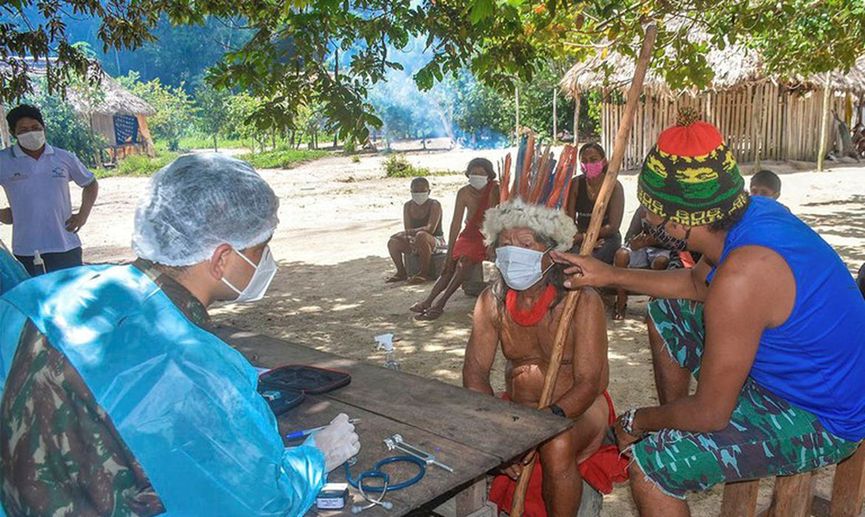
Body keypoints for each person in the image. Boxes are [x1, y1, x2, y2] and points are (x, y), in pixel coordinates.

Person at [0, 154, 360, 516]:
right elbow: (258, 502)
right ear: (221, 259)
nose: (266, 260)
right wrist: (316, 455)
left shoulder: (33, 297)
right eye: (260, 247)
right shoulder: (196, 366)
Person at [554, 114, 865, 516]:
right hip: (799, 373)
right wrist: (610, 274)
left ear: (681, 220)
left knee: (653, 468)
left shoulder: (743, 275)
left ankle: (672, 433)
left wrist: (637, 420)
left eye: (651, 210)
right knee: (667, 312)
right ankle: (677, 424)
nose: (645, 219)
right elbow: (698, 286)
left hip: (822, 414)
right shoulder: (751, 216)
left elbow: (712, 413)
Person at [464, 198, 628, 516]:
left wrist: (543, 425)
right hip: (519, 410)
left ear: (551, 254)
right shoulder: (491, 301)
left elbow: (591, 382)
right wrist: (502, 430)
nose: (514, 252)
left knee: (557, 442)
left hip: (578, 411)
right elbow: (475, 374)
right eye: (506, 244)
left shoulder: (581, 300)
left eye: (526, 244)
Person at [0, 104, 99, 275]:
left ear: (43, 128)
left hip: (66, 245)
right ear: (13, 133)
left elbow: (90, 184)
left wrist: (82, 216)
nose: (31, 133)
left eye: (35, 127)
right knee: (35, 299)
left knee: (70, 295)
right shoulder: (4, 161)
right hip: (27, 249)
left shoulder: (63, 157)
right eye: (23, 130)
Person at [411, 158, 499, 320]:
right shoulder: (463, 192)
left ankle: (440, 304)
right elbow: (455, 224)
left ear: (489, 175)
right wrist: (450, 252)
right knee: (449, 266)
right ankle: (428, 301)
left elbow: (495, 220)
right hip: (469, 235)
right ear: (468, 175)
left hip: (488, 236)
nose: (477, 176)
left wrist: (492, 243)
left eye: (481, 173)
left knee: (464, 263)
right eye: (473, 173)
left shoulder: (495, 189)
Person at [611, 206, 684, 320]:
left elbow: (677, 242)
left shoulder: (671, 211)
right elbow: (630, 236)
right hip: (643, 249)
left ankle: (653, 304)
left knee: (660, 262)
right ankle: (621, 299)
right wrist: (635, 242)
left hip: (663, 251)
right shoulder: (642, 210)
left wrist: (656, 240)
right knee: (621, 255)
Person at [565, 143, 624, 264]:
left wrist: (589, 239)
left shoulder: (614, 187)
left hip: (606, 238)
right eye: (584, 161)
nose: (589, 164)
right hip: (580, 237)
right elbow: (569, 221)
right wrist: (582, 239)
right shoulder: (576, 184)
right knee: (570, 258)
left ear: (603, 161)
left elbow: (613, 227)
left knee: (590, 259)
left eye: (593, 160)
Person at [386, 177, 446, 284]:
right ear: (411, 192)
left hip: (435, 241)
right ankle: (401, 272)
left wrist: (408, 234)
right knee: (393, 242)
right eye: (415, 191)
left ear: (429, 191)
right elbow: (407, 229)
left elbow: (430, 229)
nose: (419, 194)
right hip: (415, 238)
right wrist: (408, 237)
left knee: (421, 236)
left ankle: (423, 273)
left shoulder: (434, 205)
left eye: (422, 191)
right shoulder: (408, 206)